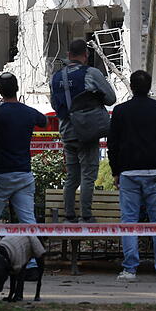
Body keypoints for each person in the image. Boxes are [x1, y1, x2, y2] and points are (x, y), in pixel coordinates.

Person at [108, 70, 156, 282]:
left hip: (129, 172)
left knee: (129, 220)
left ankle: (130, 269)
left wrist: (115, 171)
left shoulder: (120, 111)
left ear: (131, 86)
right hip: (154, 172)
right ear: (150, 87)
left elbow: (112, 145)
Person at [50, 39, 116, 223]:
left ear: (69, 55)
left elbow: (55, 105)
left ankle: (69, 215)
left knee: (73, 176)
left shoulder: (55, 77)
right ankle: (86, 216)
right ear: (86, 56)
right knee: (88, 175)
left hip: (66, 132)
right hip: (87, 132)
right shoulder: (91, 73)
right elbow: (111, 99)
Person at [0, 72, 47, 230]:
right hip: (24, 173)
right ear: (17, 88)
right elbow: (44, 121)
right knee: (28, 221)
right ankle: (34, 254)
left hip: (0, 174)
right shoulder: (29, 112)